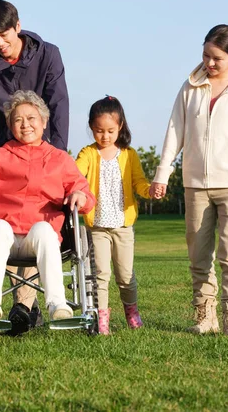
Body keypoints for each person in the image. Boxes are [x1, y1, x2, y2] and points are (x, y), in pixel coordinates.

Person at [150, 24, 228, 339]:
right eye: (205, 56)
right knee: (198, 255)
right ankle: (204, 315)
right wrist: (162, 174)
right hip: (195, 185)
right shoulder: (190, 87)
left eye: (216, 58)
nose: (209, 64)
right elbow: (175, 132)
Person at [0, 0, 70, 334]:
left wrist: (52, 159)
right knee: (6, 218)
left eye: (3, 34)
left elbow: (58, 104)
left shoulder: (47, 55)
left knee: (38, 218)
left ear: (18, 27)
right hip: (4, 149)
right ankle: (12, 306)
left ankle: (23, 306)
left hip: (44, 147)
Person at [0, 90, 95, 323]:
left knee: (44, 229)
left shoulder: (59, 159)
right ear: (10, 126)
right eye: (18, 120)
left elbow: (85, 195)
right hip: (1, 235)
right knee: (0, 227)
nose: (25, 124)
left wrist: (79, 195)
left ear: (43, 122)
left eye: (31, 118)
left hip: (39, 238)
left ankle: (57, 305)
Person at [75, 96, 151, 335]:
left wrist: (150, 190)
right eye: (99, 131)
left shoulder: (129, 154)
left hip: (122, 226)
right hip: (96, 227)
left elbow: (139, 183)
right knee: (101, 275)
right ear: (91, 128)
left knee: (125, 275)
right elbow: (76, 176)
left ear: (120, 127)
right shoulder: (88, 153)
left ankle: (132, 312)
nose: (105, 136)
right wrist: (75, 190)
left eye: (110, 130)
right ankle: (102, 319)